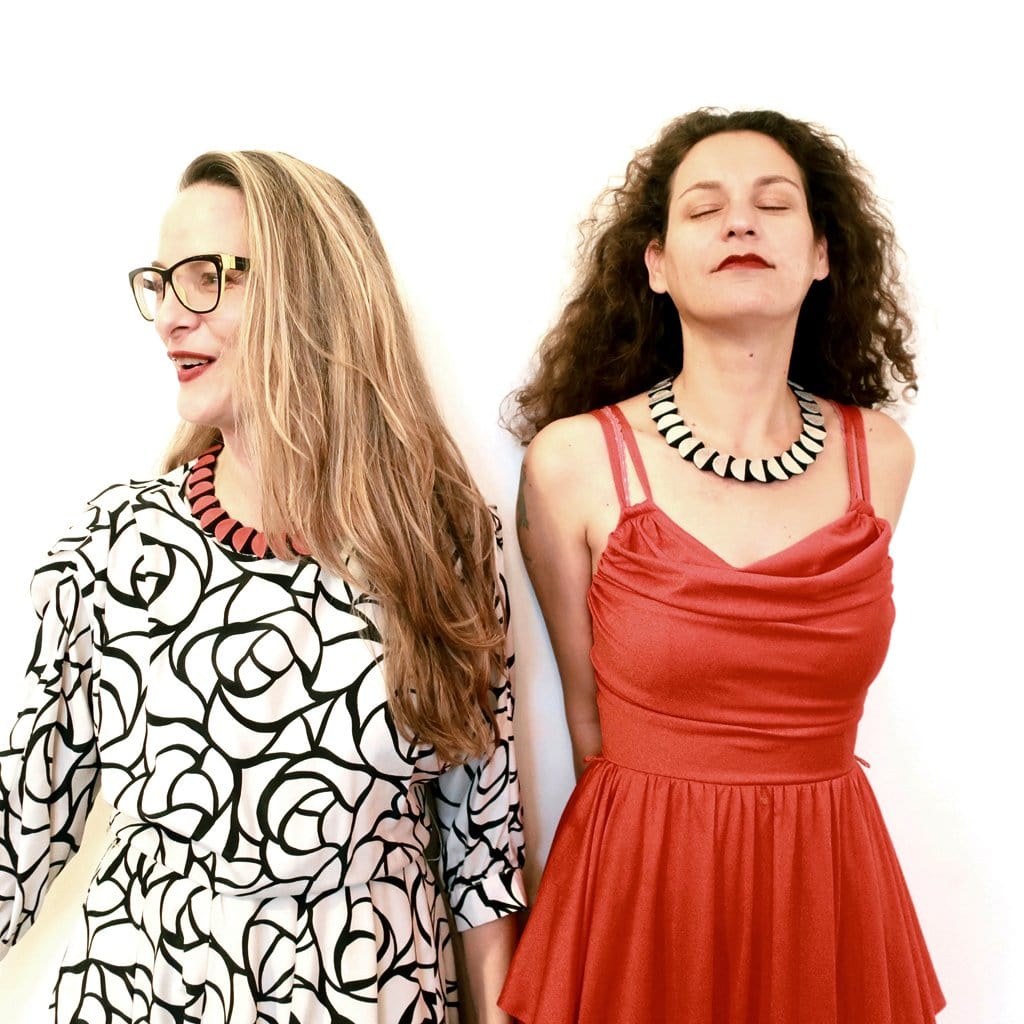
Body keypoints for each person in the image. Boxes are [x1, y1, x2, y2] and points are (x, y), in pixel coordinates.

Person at [0, 150, 525, 1024]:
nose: (171, 315)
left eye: (209, 277)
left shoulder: (442, 544)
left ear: (311, 294)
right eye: (161, 283)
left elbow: (482, 851)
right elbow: (21, 822)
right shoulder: (116, 545)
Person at [499, 109, 944, 1023]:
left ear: (822, 255)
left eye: (773, 205)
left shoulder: (882, 456)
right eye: (705, 209)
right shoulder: (573, 462)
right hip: (642, 888)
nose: (741, 222)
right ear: (657, 266)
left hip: (825, 890)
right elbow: (586, 722)